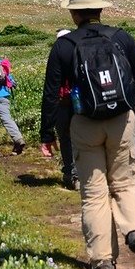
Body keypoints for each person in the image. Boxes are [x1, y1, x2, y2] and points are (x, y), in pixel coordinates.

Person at [39, 0, 135, 269]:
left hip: (83, 124)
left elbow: (51, 94)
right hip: (122, 120)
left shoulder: (64, 45)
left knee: (94, 194)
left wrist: (47, 134)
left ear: (73, 14)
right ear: (100, 8)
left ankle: (104, 261)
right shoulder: (120, 37)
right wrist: (125, 100)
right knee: (125, 184)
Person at [46, 29, 79, 191]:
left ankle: (73, 174)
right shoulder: (81, 51)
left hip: (63, 102)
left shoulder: (57, 53)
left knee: (65, 139)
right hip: (83, 102)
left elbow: (52, 87)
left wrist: (46, 128)